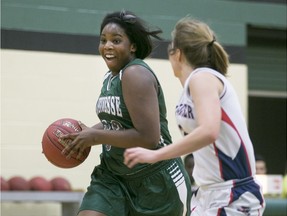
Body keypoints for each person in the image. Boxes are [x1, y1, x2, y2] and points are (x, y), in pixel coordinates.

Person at [124, 17, 266, 215]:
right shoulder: (191, 86)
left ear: (178, 54)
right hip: (208, 193)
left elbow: (209, 131)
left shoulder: (203, 77)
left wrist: (156, 155)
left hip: (233, 192)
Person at [61, 10, 192, 216]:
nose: (107, 46)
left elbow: (148, 137)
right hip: (113, 176)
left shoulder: (135, 73)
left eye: (116, 40)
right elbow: (118, 123)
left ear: (132, 46)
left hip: (155, 181)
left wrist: (94, 137)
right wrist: (84, 135)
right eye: (103, 40)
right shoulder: (111, 77)